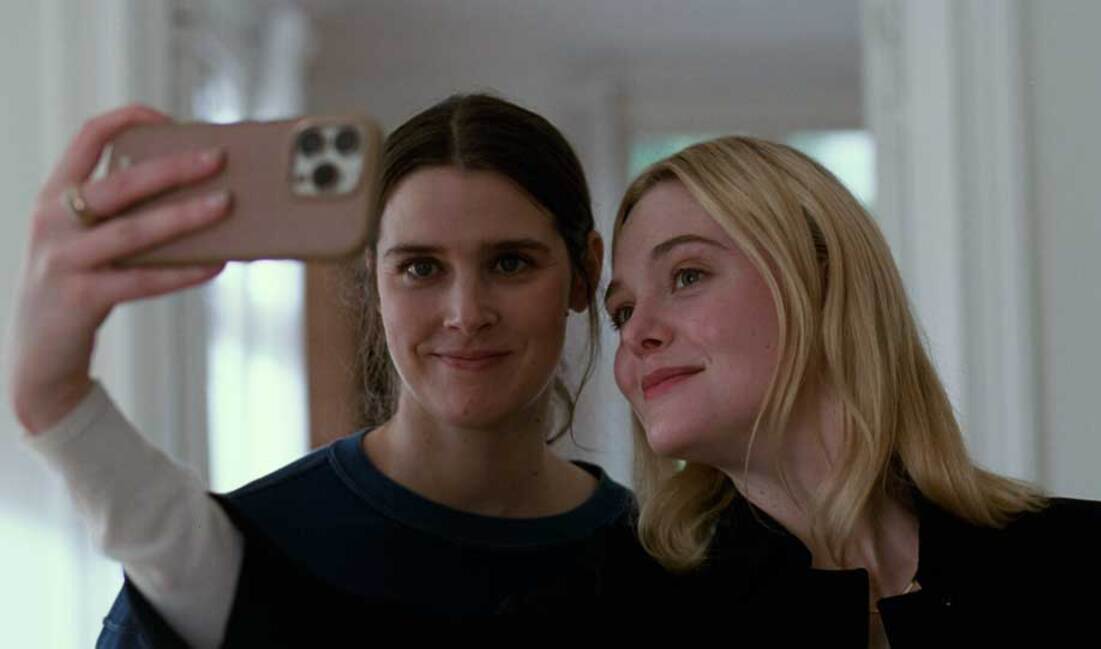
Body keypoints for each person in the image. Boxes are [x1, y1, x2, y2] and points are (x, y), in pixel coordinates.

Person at [8, 95, 643, 647]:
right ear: (374, 281)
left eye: (510, 263)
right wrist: (53, 395)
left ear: (584, 272)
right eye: (420, 268)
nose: (466, 313)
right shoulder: (244, 560)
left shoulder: (655, 560)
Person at [602, 136, 1101, 647]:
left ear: (822, 280)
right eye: (621, 311)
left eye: (687, 276)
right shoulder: (621, 612)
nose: (636, 333)